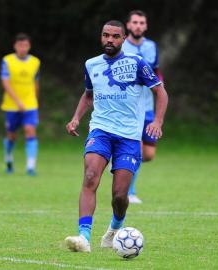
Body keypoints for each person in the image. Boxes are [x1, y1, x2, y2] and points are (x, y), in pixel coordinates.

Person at [64, 20, 168, 253]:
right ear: (101, 37)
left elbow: (160, 91)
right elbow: (88, 95)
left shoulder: (137, 63)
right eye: (105, 35)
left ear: (123, 39)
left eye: (115, 36)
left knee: (120, 196)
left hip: (129, 137)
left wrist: (157, 121)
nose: (109, 40)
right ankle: (84, 237)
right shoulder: (91, 64)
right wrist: (76, 118)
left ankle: (114, 229)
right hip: (100, 130)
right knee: (90, 176)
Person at [121, 10, 164, 204]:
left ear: (145, 26)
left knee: (148, 155)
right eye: (135, 22)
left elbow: (155, 71)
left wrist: (160, 86)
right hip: (128, 107)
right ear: (128, 25)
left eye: (141, 23)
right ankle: (129, 192)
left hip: (148, 107)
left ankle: (120, 161)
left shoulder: (151, 46)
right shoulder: (121, 47)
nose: (138, 26)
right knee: (135, 149)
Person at [0, 33, 40, 176]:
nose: (23, 48)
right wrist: (17, 101)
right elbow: (5, 82)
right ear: (15, 46)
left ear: (29, 46)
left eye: (26, 45)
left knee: (30, 130)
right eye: (20, 45)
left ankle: (30, 167)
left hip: (30, 105)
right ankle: (9, 160)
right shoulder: (7, 61)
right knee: (12, 135)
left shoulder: (35, 62)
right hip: (11, 105)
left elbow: (36, 82)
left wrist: (35, 100)